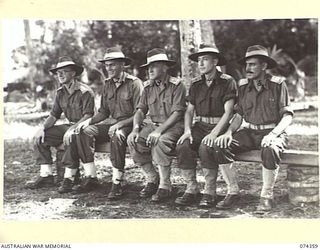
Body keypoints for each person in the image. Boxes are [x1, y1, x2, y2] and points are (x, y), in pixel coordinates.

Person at [213, 45, 293, 211]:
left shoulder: (278, 85)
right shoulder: (243, 86)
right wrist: (228, 132)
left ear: (264, 66)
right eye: (247, 64)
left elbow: (287, 116)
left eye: (253, 64)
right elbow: (239, 115)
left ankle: (266, 196)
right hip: (249, 132)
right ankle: (232, 191)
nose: (247, 68)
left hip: (273, 131)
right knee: (219, 145)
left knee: (270, 148)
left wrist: (273, 134)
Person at [174, 44, 238, 208]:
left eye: (205, 60)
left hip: (219, 126)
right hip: (200, 126)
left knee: (205, 146)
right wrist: (187, 131)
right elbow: (189, 111)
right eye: (199, 60)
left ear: (215, 61)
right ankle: (192, 188)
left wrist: (214, 134)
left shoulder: (227, 82)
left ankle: (210, 191)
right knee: (183, 145)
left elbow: (229, 112)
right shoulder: (196, 84)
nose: (200, 64)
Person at [75, 47, 143, 199]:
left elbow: (141, 112)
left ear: (122, 65)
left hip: (132, 126)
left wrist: (120, 124)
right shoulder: (107, 84)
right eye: (107, 65)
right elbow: (104, 112)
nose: (109, 68)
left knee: (117, 135)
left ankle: (117, 182)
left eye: (112, 64)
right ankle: (91, 177)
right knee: (84, 131)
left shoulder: (135, 83)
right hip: (113, 124)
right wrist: (88, 122)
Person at [26, 56, 95, 193]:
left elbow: (88, 115)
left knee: (71, 138)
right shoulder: (60, 92)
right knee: (41, 137)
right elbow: (54, 115)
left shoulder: (85, 91)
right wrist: (42, 129)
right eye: (58, 72)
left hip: (85, 127)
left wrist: (72, 129)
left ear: (73, 73)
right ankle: (46, 175)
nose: (60, 75)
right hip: (69, 126)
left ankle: (70, 178)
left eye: (64, 71)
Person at [127, 48, 186, 203]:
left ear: (165, 67)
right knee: (133, 140)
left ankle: (166, 186)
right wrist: (135, 129)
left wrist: (159, 131)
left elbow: (177, 113)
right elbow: (140, 111)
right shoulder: (147, 87)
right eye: (148, 67)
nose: (150, 69)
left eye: (154, 65)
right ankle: (153, 179)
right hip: (153, 126)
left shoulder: (177, 85)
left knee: (160, 142)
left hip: (174, 126)